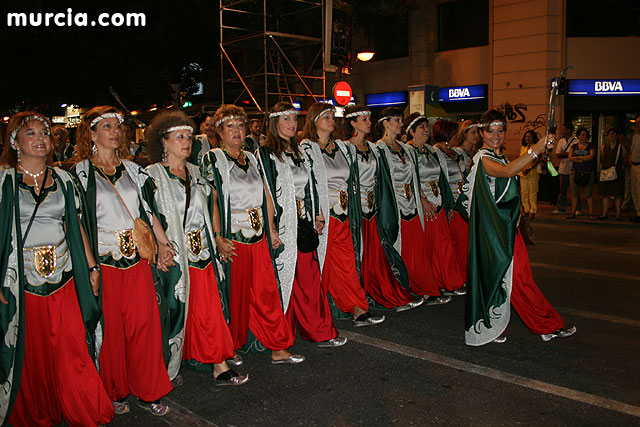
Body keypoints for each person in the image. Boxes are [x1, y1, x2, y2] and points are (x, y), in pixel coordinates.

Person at [0, 112, 114, 426]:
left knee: (72, 349)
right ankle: (38, 413)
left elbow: (75, 224)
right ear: (15, 141)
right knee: (33, 355)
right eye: (31, 133)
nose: (40, 140)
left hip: (64, 277)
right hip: (23, 284)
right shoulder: (4, 180)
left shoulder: (63, 179)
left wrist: (92, 267)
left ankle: (82, 407)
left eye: (45, 133)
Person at [71, 106, 173, 416]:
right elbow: (78, 222)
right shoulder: (79, 174)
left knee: (144, 326)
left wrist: (163, 242)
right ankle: (113, 390)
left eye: (118, 126)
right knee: (111, 331)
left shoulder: (133, 170)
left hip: (136, 260)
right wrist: (90, 265)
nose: (115, 131)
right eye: (106, 126)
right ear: (91, 133)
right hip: (105, 263)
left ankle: (148, 390)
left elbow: (147, 210)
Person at [145, 111, 249, 386]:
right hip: (175, 255)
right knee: (180, 311)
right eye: (179, 136)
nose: (186, 141)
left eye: (189, 136)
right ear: (163, 142)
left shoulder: (195, 172)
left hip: (203, 253)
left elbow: (211, 202)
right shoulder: (151, 176)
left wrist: (216, 236)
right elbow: (145, 213)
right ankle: (192, 360)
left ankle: (218, 363)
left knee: (209, 308)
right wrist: (159, 245)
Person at [457, 109, 576, 346]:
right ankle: (543, 324)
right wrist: (537, 149)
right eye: (490, 131)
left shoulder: (499, 156)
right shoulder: (484, 158)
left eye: (500, 131)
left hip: (507, 229)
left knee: (512, 279)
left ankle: (536, 324)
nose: (496, 136)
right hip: (495, 234)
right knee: (517, 279)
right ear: (481, 133)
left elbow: (512, 181)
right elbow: (507, 172)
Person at [200, 104, 305, 364]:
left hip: (259, 236)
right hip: (233, 236)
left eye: (240, 125)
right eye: (229, 126)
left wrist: (271, 228)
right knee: (234, 295)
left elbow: (265, 194)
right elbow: (210, 199)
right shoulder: (214, 158)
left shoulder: (253, 157)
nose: (236, 131)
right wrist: (217, 236)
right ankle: (232, 345)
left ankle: (278, 346)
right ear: (220, 131)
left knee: (267, 291)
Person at [258, 102, 348, 346]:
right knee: (284, 279)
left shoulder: (300, 151)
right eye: (285, 119)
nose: (291, 124)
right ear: (274, 123)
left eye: (294, 119)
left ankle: (319, 331)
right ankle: (282, 338)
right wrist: (272, 227)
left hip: (304, 221)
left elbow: (311, 186)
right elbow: (265, 192)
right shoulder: (265, 153)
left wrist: (317, 213)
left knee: (308, 278)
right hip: (283, 222)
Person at [301, 102, 387, 325]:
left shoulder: (341, 147)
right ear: (314, 121)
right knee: (324, 265)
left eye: (332, 116)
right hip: (323, 215)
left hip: (344, 213)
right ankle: (319, 314)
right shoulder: (307, 148)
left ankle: (357, 308)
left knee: (347, 263)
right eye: (326, 116)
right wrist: (315, 213)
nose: (332, 120)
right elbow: (306, 184)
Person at [344, 105, 423, 312]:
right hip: (355, 212)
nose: (369, 122)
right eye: (363, 119)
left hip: (373, 210)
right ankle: (362, 297)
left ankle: (382, 292)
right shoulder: (346, 148)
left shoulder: (373, 149)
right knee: (358, 255)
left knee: (376, 255)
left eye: (369, 118)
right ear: (352, 123)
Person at [375, 108, 451, 305]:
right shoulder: (379, 149)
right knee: (401, 249)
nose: (401, 124)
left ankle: (425, 288)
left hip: (413, 206)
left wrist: (421, 199)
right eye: (397, 120)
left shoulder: (406, 149)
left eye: (401, 120)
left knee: (417, 250)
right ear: (385, 123)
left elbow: (415, 178)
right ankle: (410, 288)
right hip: (395, 207)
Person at [406, 115, 465, 297]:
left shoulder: (432, 151)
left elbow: (442, 179)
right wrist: (421, 200)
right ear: (411, 131)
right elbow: (408, 178)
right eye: (421, 127)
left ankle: (447, 281)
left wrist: (447, 205)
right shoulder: (408, 151)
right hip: (424, 205)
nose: (425, 130)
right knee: (429, 247)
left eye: (426, 127)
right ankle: (430, 284)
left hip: (438, 203)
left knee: (443, 245)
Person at [444, 120, 478, 280]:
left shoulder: (475, 153)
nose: (477, 136)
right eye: (473, 132)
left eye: (478, 132)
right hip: (458, 200)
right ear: (464, 134)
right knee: (460, 241)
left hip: (470, 200)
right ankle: (459, 275)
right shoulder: (456, 153)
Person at [597, 128, 627, 220]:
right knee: (605, 194)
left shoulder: (620, 148)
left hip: (617, 172)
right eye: (609, 134)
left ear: (617, 136)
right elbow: (601, 159)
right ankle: (604, 213)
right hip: (606, 171)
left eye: (613, 134)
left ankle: (618, 213)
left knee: (617, 194)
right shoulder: (604, 147)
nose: (611, 136)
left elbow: (624, 160)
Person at [568, 127, 595, 219]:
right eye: (582, 135)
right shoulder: (573, 147)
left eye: (586, 135)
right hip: (575, 171)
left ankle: (591, 213)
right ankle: (573, 212)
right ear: (578, 136)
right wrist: (583, 159)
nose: (584, 136)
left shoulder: (591, 146)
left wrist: (579, 159)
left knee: (588, 194)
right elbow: (570, 158)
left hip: (587, 172)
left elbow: (591, 156)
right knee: (574, 194)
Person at [552, 123, 579, 215]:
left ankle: (577, 208)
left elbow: (576, 154)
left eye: (564, 129)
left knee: (574, 190)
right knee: (562, 189)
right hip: (563, 168)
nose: (562, 131)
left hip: (573, 168)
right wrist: (569, 154)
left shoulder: (576, 142)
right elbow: (558, 154)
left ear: (569, 130)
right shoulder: (561, 141)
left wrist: (566, 154)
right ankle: (561, 207)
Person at [518, 130, 541, 220]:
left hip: (532, 173)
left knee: (532, 192)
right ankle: (526, 210)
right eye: (526, 136)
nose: (527, 138)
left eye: (530, 137)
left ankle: (533, 210)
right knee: (524, 192)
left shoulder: (534, 147)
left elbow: (537, 159)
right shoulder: (523, 147)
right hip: (523, 173)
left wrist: (529, 168)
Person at [629, 116, 640, 223]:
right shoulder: (635, 136)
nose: (637, 124)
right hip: (634, 165)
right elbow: (631, 150)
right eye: (636, 122)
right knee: (634, 190)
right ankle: (638, 212)